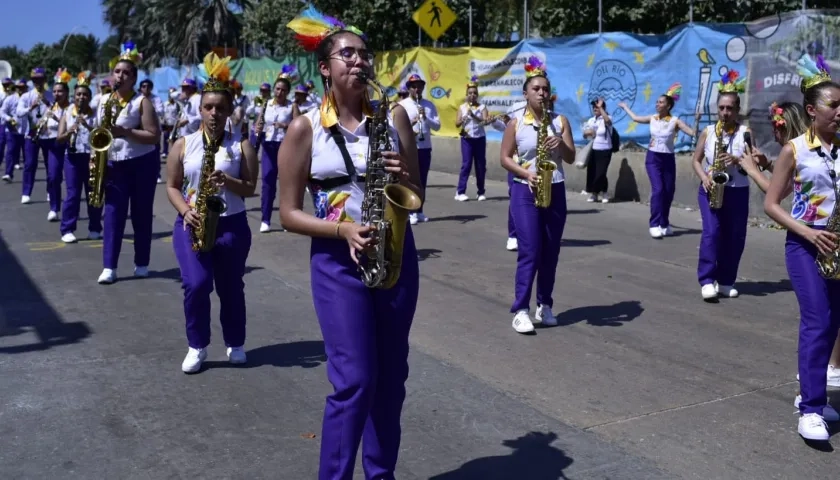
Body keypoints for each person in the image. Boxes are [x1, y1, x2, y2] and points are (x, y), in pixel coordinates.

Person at [280, 6, 423, 478]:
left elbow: (417, 196)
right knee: (355, 380)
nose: (359, 62)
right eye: (347, 54)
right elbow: (288, 213)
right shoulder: (304, 129)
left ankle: (382, 473)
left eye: (365, 55)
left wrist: (405, 176)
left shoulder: (394, 116)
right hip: (337, 263)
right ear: (325, 68)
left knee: (391, 380)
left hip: (395, 255)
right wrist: (341, 229)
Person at [166, 52, 258, 373]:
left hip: (231, 223)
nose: (214, 113)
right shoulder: (183, 143)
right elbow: (172, 186)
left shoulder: (241, 145)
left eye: (221, 107)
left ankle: (235, 342)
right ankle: (197, 345)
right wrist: (185, 211)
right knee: (197, 283)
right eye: (208, 107)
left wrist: (228, 180)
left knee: (231, 285)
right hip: (192, 222)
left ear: (230, 110)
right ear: (200, 109)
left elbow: (250, 188)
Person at [763, 59, 840, 441]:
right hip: (805, 243)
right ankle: (810, 409)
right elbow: (772, 204)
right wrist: (809, 234)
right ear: (812, 110)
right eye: (834, 106)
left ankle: (812, 396)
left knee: (834, 322)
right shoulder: (794, 150)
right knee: (818, 320)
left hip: (837, 242)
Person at [499, 56, 576, 334]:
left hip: (555, 186)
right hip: (525, 189)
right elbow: (505, 158)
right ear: (526, 93)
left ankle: (545, 304)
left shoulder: (560, 121)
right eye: (536, 89)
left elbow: (570, 156)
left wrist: (560, 142)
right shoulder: (516, 122)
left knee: (551, 251)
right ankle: (520, 309)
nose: (542, 93)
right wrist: (526, 173)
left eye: (545, 89)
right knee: (530, 250)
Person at [95, 42, 161, 284]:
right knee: (112, 214)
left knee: (141, 214)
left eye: (126, 73)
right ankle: (109, 267)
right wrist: (96, 158)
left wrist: (125, 131)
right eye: (117, 72)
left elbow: (154, 136)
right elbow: (98, 133)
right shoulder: (103, 101)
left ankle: (141, 262)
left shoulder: (141, 102)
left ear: (134, 78)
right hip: (114, 163)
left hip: (141, 162)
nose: (120, 76)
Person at [690, 70, 750, 301]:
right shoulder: (708, 132)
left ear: (737, 110)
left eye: (730, 108)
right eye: (722, 108)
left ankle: (726, 280)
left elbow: (750, 166)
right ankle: (706, 279)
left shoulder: (745, 133)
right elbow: (695, 160)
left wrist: (736, 160)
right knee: (712, 233)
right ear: (717, 108)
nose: (726, 113)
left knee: (735, 236)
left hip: (738, 190)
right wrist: (704, 178)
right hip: (710, 189)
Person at [618, 83, 698, 238]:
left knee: (668, 192)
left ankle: (664, 223)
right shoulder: (652, 118)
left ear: (668, 106)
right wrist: (625, 107)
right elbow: (635, 118)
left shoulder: (675, 121)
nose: (657, 104)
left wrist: (696, 121)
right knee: (659, 189)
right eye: (657, 102)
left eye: (661, 102)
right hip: (653, 158)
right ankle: (654, 224)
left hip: (668, 158)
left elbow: (692, 132)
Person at [56, 72, 102, 243]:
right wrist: (70, 131)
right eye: (78, 95)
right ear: (74, 97)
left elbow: (101, 136)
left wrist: (87, 126)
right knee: (72, 194)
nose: (81, 97)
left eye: (85, 94)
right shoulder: (67, 113)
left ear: (89, 97)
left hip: (92, 158)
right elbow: (59, 138)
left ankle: (95, 227)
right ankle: (67, 228)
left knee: (93, 194)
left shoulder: (96, 114)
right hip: (73, 159)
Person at [254, 65, 295, 233]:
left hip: (285, 147)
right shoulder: (266, 105)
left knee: (287, 185)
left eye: (283, 90)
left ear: (287, 92)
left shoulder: (291, 106)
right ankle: (265, 219)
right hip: (269, 146)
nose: (279, 92)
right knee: (268, 183)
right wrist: (258, 128)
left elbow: (298, 126)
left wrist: (285, 125)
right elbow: (257, 125)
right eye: (277, 89)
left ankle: (288, 220)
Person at [399, 74, 440, 224]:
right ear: (409, 88)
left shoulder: (429, 105)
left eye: (419, 86)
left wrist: (425, 118)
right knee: (409, 179)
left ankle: (420, 210)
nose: (417, 89)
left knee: (422, 179)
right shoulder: (403, 105)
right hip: (409, 148)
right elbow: (397, 127)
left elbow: (437, 126)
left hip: (424, 147)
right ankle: (410, 211)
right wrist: (412, 121)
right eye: (413, 86)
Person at [16, 67, 55, 206]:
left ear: (45, 80)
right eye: (35, 80)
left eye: (40, 79)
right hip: (31, 133)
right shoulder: (26, 96)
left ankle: (51, 192)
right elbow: (19, 112)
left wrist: (47, 103)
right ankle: (26, 193)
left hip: (48, 134)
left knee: (50, 165)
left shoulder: (51, 95)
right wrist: (30, 108)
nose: (38, 83)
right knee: (30, 164)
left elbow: (58, 112)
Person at [454, 75, 490, 202]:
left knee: (480, 166)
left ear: (477, 94)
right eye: (470, 93)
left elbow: (485, 122)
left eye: (475, 93)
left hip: (479, 139)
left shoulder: (482, 107)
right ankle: (460, 191)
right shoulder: (462, 107)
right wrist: (463, 119)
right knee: (466, 164)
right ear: (467, 94)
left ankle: (481, 192)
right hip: (467, 139)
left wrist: (474, 116)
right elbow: (457, 124)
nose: (472, 95)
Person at [582, 97, 614, 203]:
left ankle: (604, 193)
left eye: (598, 107)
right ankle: (594, 194)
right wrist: (588, 133)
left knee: (601, 172)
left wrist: (601, 110)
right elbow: (584, 135)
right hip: (594, 150)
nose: (595, 108)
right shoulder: (591, 120)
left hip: (605, 150)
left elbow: (608, 122)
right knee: (593, 172)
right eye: (594, 107)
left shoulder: (607, 117)